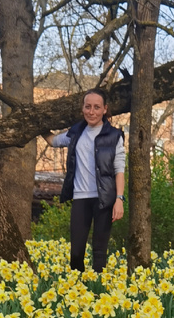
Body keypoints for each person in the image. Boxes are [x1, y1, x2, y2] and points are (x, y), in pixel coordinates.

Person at [50, 89, 125, 273]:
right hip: (81, 198)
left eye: (97, 107)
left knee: (99, 253)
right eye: (88, 106)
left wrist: (119, 199)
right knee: (76, 252)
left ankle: (98, 296)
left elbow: (119, 170)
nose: (91, 112)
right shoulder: (75, 133)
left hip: (104, 199)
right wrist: (35, 126)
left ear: (105, 109)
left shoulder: (115, 136)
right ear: (83, 108)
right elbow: (53, 141)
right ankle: (77, 291)